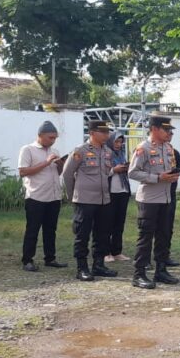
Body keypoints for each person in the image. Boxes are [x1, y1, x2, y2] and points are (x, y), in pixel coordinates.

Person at [129, 116, 180, 289]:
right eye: (166, 130)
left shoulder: (168, 148)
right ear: (154, 129)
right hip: (149, 199)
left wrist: (172, 175)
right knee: (146, 237)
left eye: (170, 130)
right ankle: (139, 274)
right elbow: (133, 172)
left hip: (166, 197)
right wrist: (157, 177)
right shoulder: (143, 148)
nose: (169, 133)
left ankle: (161, 270)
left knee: (163, 235)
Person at [61, 120, 118, 281]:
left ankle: (99, 265)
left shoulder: (108, 151)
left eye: (107, 132)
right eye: (103, 132)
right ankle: (82, 267)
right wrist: (72, 196)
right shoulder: (80, 151)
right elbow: (67, 173)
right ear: (92, 133)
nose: (106, 135)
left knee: (102, 234)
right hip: (85, 200)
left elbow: (107, 173)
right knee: (83, 234)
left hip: (103, 200)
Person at [18, 121, 67, 272]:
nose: (53, 141)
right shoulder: (28, 150)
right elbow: (23, 172)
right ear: (40, 135)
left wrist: (60, 164)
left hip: (54, 196)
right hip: (36, 197)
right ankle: (27, 260)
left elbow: (58, 173)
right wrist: (46, 162)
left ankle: (50, 258)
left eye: (55, 138)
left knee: (50, 230)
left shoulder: (54, 150)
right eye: (50, 137)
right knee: (33, 230)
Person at [105, 130, 132, 263]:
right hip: (110, 192)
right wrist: (114, 170)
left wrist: (126, 168)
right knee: (107, 223)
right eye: (116, 141)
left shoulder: (121, 154)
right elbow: (101, 172)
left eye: (121, 142)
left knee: (119, 223)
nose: (118, 144)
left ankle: (116, 251)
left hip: (123, 191)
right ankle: (105, 252)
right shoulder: (105, 154)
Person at [164, 137, 180, 268]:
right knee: (150, 229)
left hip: (170, 194)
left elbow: (178, 169)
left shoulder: (175, 153)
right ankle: (145, 260)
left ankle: (165, 255)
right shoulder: (148, 150)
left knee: (168, 227)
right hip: (154, 195)